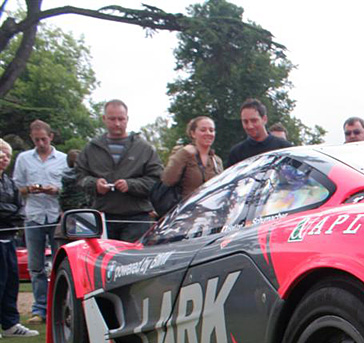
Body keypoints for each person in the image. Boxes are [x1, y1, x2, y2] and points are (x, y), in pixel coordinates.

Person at [76, 99, 163, 242]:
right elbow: (79, 177)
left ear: (127, 119)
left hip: (137, 217)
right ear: (104, 119)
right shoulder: (91, 149)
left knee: (132, 262)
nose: (117, 123)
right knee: (103, 262)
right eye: (112, 119)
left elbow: (156, 181)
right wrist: (94, 184)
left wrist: (131, 185)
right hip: (103, 216)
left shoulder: (144, 148)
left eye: (121, 119)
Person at [13, 119, 66, 324]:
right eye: (36, 140)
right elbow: (17, 187)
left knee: (58, 263)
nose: (41, 143)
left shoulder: (62, 159)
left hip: (56, 215)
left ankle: (58, 307)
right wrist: (30, 189)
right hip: (34, 215)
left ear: (50, 137)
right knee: (35, 266)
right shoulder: (24, 159)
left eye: (43, 139)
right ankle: (39, 309)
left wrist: (55, 190)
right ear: (31, 139)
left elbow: (69, 187)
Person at [0, 140, 37, 338]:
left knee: (10, 282)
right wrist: (11, 212)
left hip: (8, 237)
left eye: (7, 155)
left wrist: (12, 214)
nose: (4, 158)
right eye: (1, 153)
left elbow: (19, 207)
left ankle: (10, 324)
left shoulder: (9, 182)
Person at [162, 116, 224, 202]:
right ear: (193, 134)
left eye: (211, 130)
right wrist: (183, 153)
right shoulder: (183, 154)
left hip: (211, 211)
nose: (208, 133)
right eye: (203, 130)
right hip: (186, 211)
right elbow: (167, 180)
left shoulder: (217, 161)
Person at [226, 98, 291, 167]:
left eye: (254, 120)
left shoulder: (284, 147)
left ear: (264, 119)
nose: (250, 126)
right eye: (245, 121)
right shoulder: (236, 153)